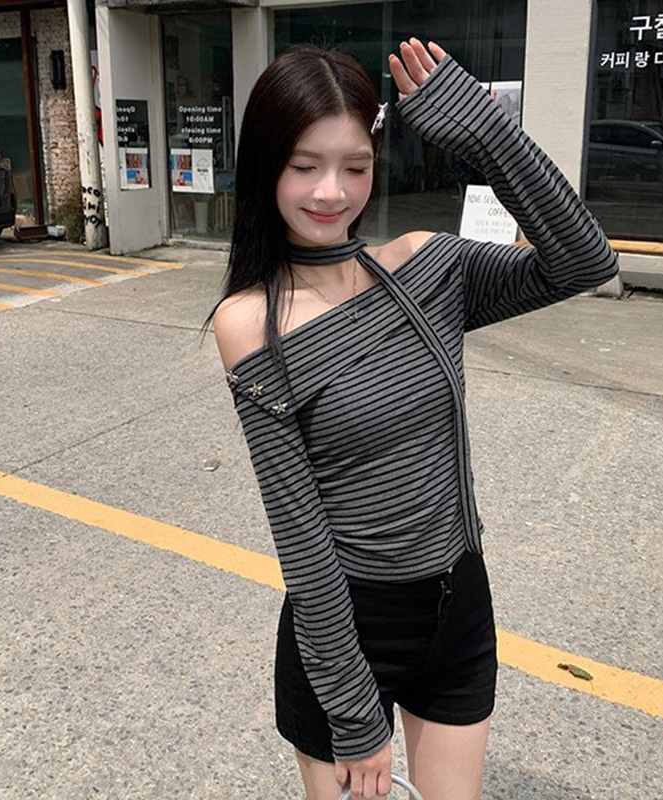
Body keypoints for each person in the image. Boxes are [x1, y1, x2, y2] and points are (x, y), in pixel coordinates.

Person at [206, 38, 619, 800]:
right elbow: (302, 538)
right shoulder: (250, 324)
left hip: (459, 603)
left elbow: (584, 262)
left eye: (355, 166)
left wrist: (486, 134)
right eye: (304, 165)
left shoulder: (430, 267)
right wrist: (353, 713)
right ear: (265, 165)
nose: (331, 191)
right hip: (346, 628)